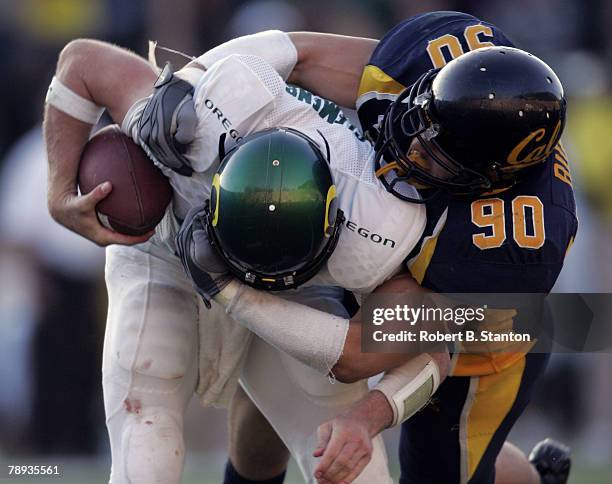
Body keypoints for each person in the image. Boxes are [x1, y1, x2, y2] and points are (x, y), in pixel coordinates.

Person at [163, 11, 576, 484]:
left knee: (434, 471)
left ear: (488, 181)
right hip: (369, 262)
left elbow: (360, 352)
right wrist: (188, 84)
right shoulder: (431, 59)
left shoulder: (503, 250)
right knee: (274, 389)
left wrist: (227, 288)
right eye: (423, 119)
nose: (411, 146)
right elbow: (295, 54)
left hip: (472, 346)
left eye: (436, 155)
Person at [44, 37, 445, 483]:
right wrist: (59, 190)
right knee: (147, 445)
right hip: (171, 246)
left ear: (334, 226)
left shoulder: (379, 230)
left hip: (302, 293)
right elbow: (82, 60)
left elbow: (439, 344)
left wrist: (368, 418)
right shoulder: (198, 123)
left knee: (358, 471)